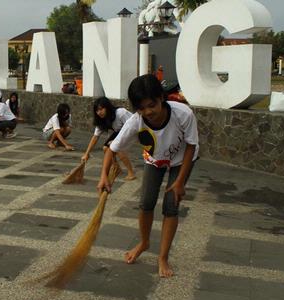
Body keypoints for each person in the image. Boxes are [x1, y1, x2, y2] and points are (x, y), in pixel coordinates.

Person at [97, 74, 199, 278]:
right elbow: (111, 149)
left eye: (151, 105)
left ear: (162, 98)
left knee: (171, 206)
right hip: (155, 159)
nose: (148, 112)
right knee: (146, 203)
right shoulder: (136, 121)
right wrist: (103, 176)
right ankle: (144, 242)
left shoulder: (183, 113)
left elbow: (191, 146)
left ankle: (162, 257)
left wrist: (179, 182)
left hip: (182, 160)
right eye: (141, 108)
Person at [82, 97, 136, 181]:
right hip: (119, 131)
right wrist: (86, 153)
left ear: (107, 107)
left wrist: (117, 141)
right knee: (105, 148)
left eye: (101, 109)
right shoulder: (101, 120)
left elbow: (133, 124)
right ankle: (116, 167)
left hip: (132, 130)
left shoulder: (121, 113)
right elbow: (95, 137)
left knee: (117, 148)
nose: (99, 112)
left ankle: (131, 173)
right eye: (97, 110)